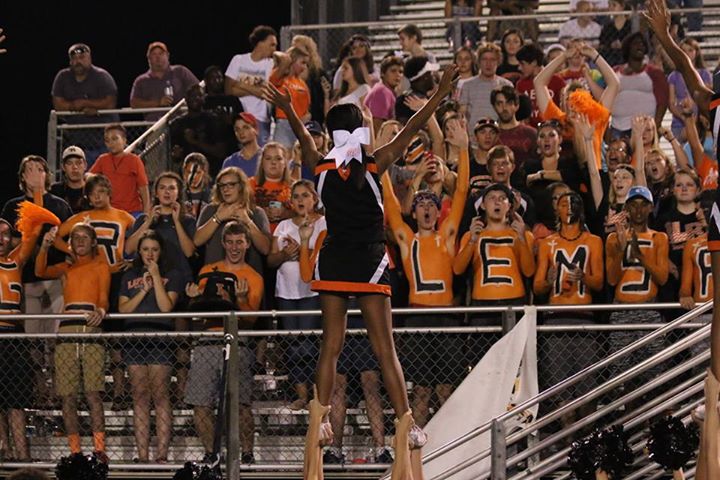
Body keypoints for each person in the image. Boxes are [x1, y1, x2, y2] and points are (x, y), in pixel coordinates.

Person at [263, 63, 458, 477]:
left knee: (330, 346)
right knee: (383, 348)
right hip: (369, 261)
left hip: (334, 259)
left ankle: (322, 419)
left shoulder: (319, 164)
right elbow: (415, 126)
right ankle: (407, 424)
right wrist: (439, 93)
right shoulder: (375, 162)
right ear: (361, 131)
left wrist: (289, 109)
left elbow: (301, 136)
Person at [382, 117, 469, 427]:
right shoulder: (407, 240)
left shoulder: (447, 237)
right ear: (414, 211)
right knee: (420, 391)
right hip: (418, 317)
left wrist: (464, 149)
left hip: (446, 318)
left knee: (447, 390)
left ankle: (453, 447)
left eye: (432, 204)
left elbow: (460, 195)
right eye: (420, 205)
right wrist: (382, 152)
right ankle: (416, 454)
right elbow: (391, 204)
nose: (428, 209)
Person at [185, 221, 264, 465]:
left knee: (240, 404)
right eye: (230, 242)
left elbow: (251, 319)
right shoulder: (208, 270)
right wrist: (194, 299)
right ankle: (212, 454)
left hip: (238, 341)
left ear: (247, 244)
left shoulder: (254, 277)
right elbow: (198, 314)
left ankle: (248, 454)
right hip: (208, 339)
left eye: (239, 242)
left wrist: (239, 300)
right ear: (223, 244)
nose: (234, 247)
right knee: (200, 403)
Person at [36, 223, 111, 462]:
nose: (79, 240)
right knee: (67, 395)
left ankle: (99, 450)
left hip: (90, 328)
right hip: (67, 328)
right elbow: (40, 271)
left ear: (92, 242)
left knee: (92, 393)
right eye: (75, 237)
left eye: (84, 237)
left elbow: (103, 298)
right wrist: (45, 247)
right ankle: (75, 452)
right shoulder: (65, 268)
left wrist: (101, 309)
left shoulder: (100, 266)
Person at [0, 156, 72, 402]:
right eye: (29, 169)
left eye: (40, 169)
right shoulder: (13, 206)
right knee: (31, 340)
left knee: (53, 340)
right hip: (26, 280)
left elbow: (68, 239)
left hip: (54, 280)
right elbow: (10, 243)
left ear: (47, 174)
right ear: (21, 177)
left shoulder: (60, 204)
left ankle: (55, 393)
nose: (35, 173)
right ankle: (38, 391)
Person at [534, 192, 604, 412]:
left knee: (586, 385)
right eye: (564, 204)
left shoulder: (593, 241)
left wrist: (583, 277)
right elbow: (537, 287)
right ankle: (564, 438)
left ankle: (586, 438)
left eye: (573, 204)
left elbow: (600, 282)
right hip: (556, 317)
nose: (569, 208)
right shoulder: (547, 243)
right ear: (557, 209)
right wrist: (549, 281)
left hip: (584, 316)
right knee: (559, 386)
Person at [453, 182, 535, 366]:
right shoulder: (471, 235)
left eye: (502, 199)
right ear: (483, 205)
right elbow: (457, 269)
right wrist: (472, 240)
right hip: (481, 309)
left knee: (514, 367)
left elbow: (529, 271)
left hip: (514, 305)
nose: (497, 203)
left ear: (510, 205)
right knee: (482, 366)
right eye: (491, 198)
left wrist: (521, 238)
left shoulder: (523, 235)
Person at [119, 230, 181, 463]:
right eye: (145, 249)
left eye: (154, 249)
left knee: (160, 395)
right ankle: (143, 455)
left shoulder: (171, 275)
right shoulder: (129, 276)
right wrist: (143, 289)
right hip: (134, 335)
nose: (150, 254)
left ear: (160, 252)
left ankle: (162, 454)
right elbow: (123, 309)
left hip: (160, 336)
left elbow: (166, 307)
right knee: (140, 396)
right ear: (139, 252)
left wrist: (155, 278)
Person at [268, 180, 326, 410]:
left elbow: (325, 252)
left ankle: (315, 395)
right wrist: (284, 254)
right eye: (296, 196)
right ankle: (301, 394)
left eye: (305, 195)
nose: (301, 200)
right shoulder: (282, 226)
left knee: (310, 343)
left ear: (315, 199)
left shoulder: (323, 224)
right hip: (286, 293)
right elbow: (271, 260)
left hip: (312, 292)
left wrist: (303, 249)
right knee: (292, 343)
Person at [605, 185, 669, 380]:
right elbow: (611, 279)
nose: (639, 210)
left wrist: (640, 256)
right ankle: (624, 407)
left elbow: (662, 278)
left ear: (650, 208)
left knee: (653, 367)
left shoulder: (659, 238)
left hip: (649, 308)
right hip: (622, 309)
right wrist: (620, 250)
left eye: (643, 205)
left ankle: (653, 406)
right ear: (627, 209)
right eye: (634, 205)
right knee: (621, 369)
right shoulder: (613, 239)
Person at [0, 218, 40, 461]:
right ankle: (3, 450)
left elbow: (34, 230)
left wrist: (36, 191)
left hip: (13, 336)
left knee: (16, 401)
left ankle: (23, 455)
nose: (0, 239)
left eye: (5, 234)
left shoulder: (15, 262)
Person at [193, 166, 271, 276]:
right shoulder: (210, 210)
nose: (226, 189)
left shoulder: (257, 213)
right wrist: (218, 218)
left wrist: (248, 221)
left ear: (241, 186)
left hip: (249, 280)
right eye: (222, 186)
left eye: (231, 185)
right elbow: (197, 241)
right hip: (215, 278)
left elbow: (265, 249)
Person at [51, 43, 118, 163]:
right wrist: (74, 106)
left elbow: (110, 102)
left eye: (82, 58)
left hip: (103, 140)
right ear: (70, 61)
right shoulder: (62, 77)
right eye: (74, 59)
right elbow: (58, 104)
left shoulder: (102, 76)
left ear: (89, 58)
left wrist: (87, 104)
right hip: (75, 141)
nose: (78, 62)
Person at [224, 25, 277, 146]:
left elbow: (265, 92)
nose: (275, 49)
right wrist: (255, 90)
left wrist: (239, 84)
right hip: (240, 119)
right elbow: (228, 90)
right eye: (272, 44)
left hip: (260, 120)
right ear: (260, 43)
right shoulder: (238, 60)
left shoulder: (270, 64)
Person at [169, 84, 235, 177]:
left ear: (204, 98)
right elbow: (175, 156)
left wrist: (195, 142)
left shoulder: (214, 120)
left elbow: (221, 152)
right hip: (188, 174)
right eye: (192, 95)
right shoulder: (177, 124)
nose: (195, 98)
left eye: (199, 95)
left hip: (211, 172)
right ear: (186, 98)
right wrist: (176, 155)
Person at [610, 32, 669, 137]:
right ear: (627, 48)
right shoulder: (615, 72)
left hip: (645, 129)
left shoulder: (655, 73)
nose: (639, 46)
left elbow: (662, 102)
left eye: (642, 44)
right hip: (618, 128)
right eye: (635, 43)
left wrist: (655, 126)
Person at [89, 124, 151, 217]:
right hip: (109, 211)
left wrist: (146, 211)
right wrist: (88, 176)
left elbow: (143, 187)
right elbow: (89, 176)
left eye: (114, 139)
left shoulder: (134, 160)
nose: (111, 143)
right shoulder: (103, 159)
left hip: (133, 211)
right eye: (107, 140)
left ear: (124, 140)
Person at [129, 41, 199, 121]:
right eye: (154, 54)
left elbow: (198, 89)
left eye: (161, 53)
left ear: (167, 55)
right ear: (149, 58)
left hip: (182, 122)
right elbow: (134, 103)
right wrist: (158, 103)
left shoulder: (181, 71)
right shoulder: (141, 81)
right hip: (154, 126)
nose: (158, 57)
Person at [458, 42, 512, 136]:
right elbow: (462, 114)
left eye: (492, 60)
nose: (488, 64)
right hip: (473, 139)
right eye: (484, 59)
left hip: (499, 138)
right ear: (479, 62)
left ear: (498, 62)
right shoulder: (467, 85)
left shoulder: (506, 85)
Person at [491, 85, 537, 189]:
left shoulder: (531, 134)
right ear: (494, 107)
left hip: (527, 190)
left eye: (509, 103)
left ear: (516, 106)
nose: (504, 108)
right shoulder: (490, 135)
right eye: (500, 103)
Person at [667, 38, 712, 143]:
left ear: (696, 52)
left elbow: (708, 99)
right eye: (684, 51)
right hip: (680, 123)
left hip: (701, 123)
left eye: (690, 50)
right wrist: (685, 119)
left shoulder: (705, 74)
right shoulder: (673, 76)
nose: (687, 53)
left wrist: (696, 120)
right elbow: (671, 104)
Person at [270, 46, 311, 149]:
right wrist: (288, 59)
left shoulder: (302, 83)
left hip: (300, 125)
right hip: (284, 124)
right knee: (283, 155)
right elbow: (283, 58)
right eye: (302, 62)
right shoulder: (279, 77)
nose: (305, 67)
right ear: (292, 61)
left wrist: (306, 116)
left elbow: (307, 106)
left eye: (306, 64)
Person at [515, 44, 566, 127]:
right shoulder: (520, 84)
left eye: (522, 64)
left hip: (553, 129)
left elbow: (564, 109)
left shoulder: (558, 82)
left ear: (534, 62)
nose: (519, 68)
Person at [249, 142, 293, 233]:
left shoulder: (294, 186)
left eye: (278, 158)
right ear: (262, 163)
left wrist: (286, 213)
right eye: (268, 158)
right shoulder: (249, 184)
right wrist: (261, 213)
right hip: (257, 236)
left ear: (285, 163)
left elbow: (305, 214)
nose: (273, 162)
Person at [291, 35, 331, 125]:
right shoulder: (288, 72)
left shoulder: (318, 74)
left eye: (298, 49)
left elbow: (324, 97)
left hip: (315, 120)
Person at [395, 56, 440, 125]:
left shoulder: (425, 99)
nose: (433, 77)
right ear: (425, 77)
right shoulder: (405, 103)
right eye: (430, 73)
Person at [364, 56, 404, 132]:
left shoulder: (386, 90)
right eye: (393, 71)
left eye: (400, 72)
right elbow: (377, 126)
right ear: (383, 73)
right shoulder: (382, 92)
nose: (398, 75)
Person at [222, 112, 262, 177]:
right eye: (237, 129)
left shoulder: (266, 158)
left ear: (256, 130)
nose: (241, 132)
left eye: (245, 127)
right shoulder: (230, 162)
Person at [51, 146, 89, 214]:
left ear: (85, 165)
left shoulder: (92, 190)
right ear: (63, 167)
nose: (74, 167)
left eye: (78, 163)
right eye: (69, 163)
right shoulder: (54, 191)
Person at [598, 0, 632, 67]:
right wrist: (610, 45)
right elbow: (602, 45)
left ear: (622, 7)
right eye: (609, 5)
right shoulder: (607, 27)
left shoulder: (631, 25)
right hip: (610, 61)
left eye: (614, 5)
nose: (610, 8)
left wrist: (623, 44)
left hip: (628, 59)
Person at [182, 153, 213, 221]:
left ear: (204, 173)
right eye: (189, 172)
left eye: (198, 173)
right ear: (184, 173)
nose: (193, 177)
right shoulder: (177, 195)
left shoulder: (213, 196)